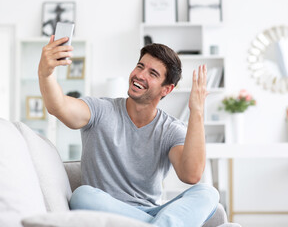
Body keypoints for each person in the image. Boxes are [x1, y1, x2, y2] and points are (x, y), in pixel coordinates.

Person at [38, 36, 219, 227]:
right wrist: (46, 73)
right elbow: (58, 106)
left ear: (166, 90)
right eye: (140, 66)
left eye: (152, 73)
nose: (140, 75)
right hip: (104, 208)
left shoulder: (170, 129)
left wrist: (197, 112)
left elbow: (191, 175)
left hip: (151, 211)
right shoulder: (100, 110)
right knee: (82, 195)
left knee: (208, 193)